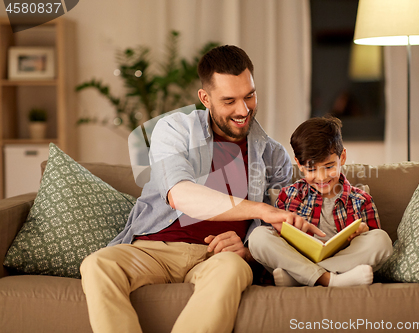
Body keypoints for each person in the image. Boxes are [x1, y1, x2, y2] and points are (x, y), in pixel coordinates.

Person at [80, 45, 324, 333]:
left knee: (234, 269)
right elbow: (179, 193)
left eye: (249, 96)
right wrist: (261, 210)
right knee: (97, 265)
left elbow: (281, 230)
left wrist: (247, 249)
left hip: (218, 257)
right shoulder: (174, 130)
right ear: (205, 98)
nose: (243, 110)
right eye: (229, 100)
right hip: (153, 251)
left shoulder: (274, 155)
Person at [249, 116, 393, 288]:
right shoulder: (289, 196)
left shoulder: (361, 200)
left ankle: (300, 277)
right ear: (299, 165)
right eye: (311, 169)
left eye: (329, 166)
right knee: (258, 237)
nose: (322, 177)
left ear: (343, 157)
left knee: (381, 240)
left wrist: (364, 231)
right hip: (300, 258)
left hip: (341, 261)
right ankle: (330, 280)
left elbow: (373, 247)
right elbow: (277, 243)